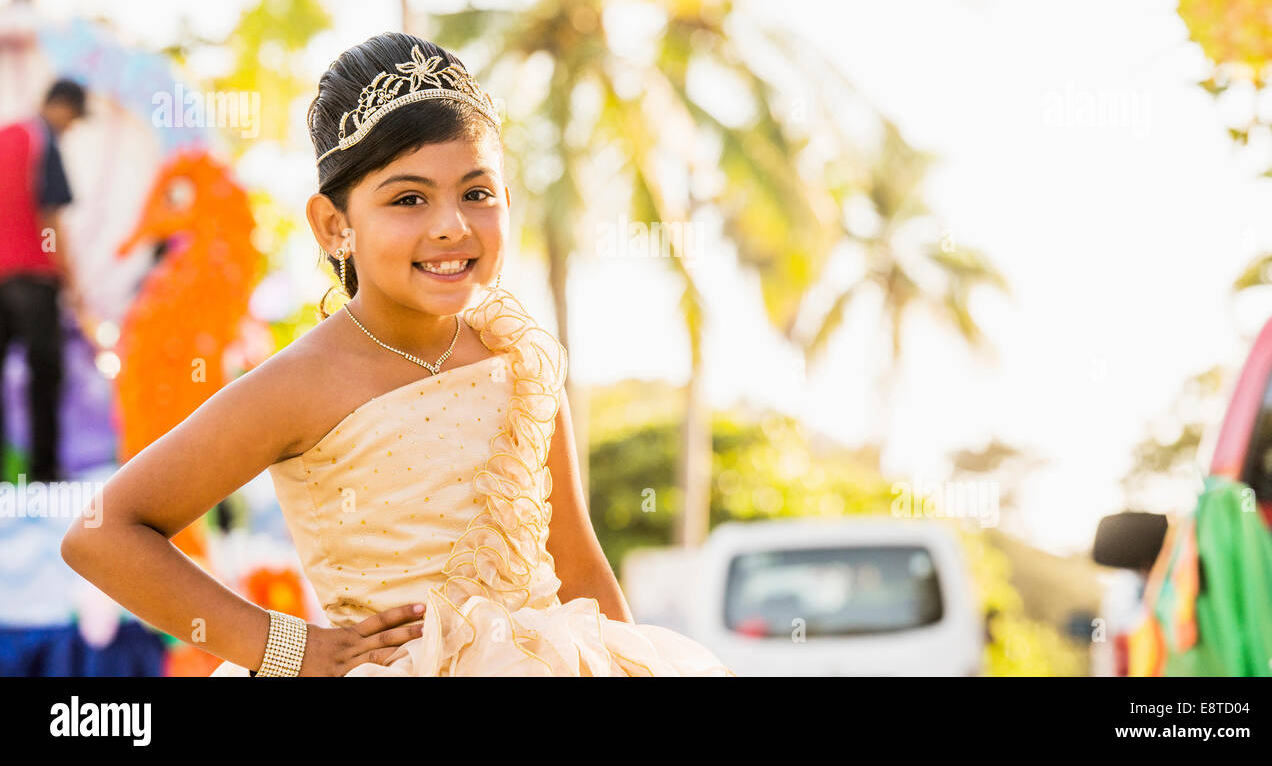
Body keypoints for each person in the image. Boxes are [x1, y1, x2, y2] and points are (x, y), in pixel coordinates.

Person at [62, 33, 735, 676]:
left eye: (477, 192)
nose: (451, 224)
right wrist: (288, 648)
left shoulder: (521, 357)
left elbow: (581, 566)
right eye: (408, 198)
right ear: (335, 225)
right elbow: (103, 533)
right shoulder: (302, 382)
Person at [0, 79, 87, 483]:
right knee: (45, 375)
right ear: (62, 106)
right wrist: (70, 279)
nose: (70, 129)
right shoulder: (42, 139)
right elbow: (51, 216)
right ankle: (44, 473)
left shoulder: (7, 137)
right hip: (34, 279)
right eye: (72, 120)